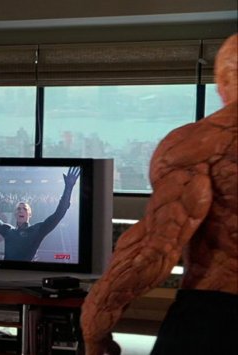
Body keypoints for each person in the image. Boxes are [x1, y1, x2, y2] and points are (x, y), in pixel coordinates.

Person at [80, 34, 238, 355]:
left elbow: (154, 250)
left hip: (216, 316)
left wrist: (95, 329)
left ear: (222, 82)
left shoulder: (198, 145)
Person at [0, 167, 80, 261]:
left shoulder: (38, 230)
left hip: (26, 275)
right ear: (15, 214)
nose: (21, 210)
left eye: (24, 209)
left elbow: (59, 214)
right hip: (6, 274)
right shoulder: (7, 230)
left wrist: (68, 188)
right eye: (18, 209)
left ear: (29, 214)